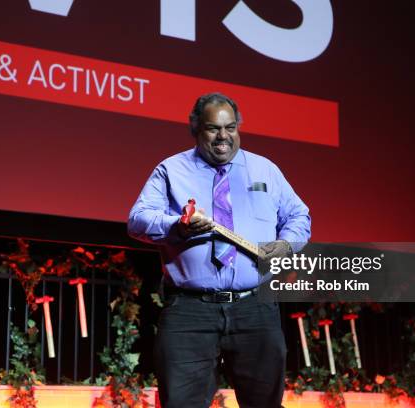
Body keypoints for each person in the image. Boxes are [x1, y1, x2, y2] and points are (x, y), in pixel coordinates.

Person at [128, 93, 311, 408]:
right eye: (213, 128)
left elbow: (299, 216)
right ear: (196, 128)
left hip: (255, 308)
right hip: (189, 311)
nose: (223, 137)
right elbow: (138, 220)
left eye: (231, 128)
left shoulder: (265, 170)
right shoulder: (171, 170)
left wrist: (285, 244)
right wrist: (177, 227)